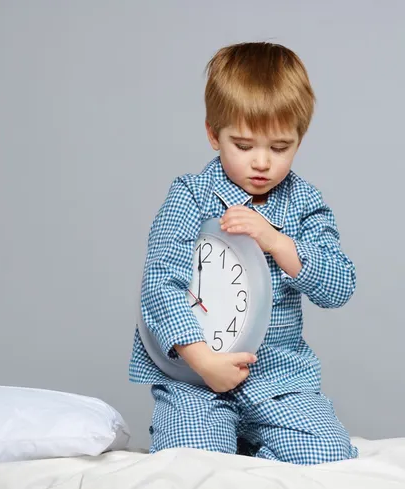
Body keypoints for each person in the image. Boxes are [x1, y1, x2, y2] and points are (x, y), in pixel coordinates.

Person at [128, 42, 358, 465]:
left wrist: (277, 241)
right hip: (196, 379)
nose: (262, 163)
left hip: (279, 379)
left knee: (328, 454)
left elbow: (340, 286)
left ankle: (255, 453)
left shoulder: (304, 203)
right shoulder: (192, 196)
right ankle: (214, 440)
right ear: (214, 134)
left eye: (280, 147)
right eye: (244, 144)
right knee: (195, 460)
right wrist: (202, 360)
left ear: (299, 140)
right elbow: (160, 281)